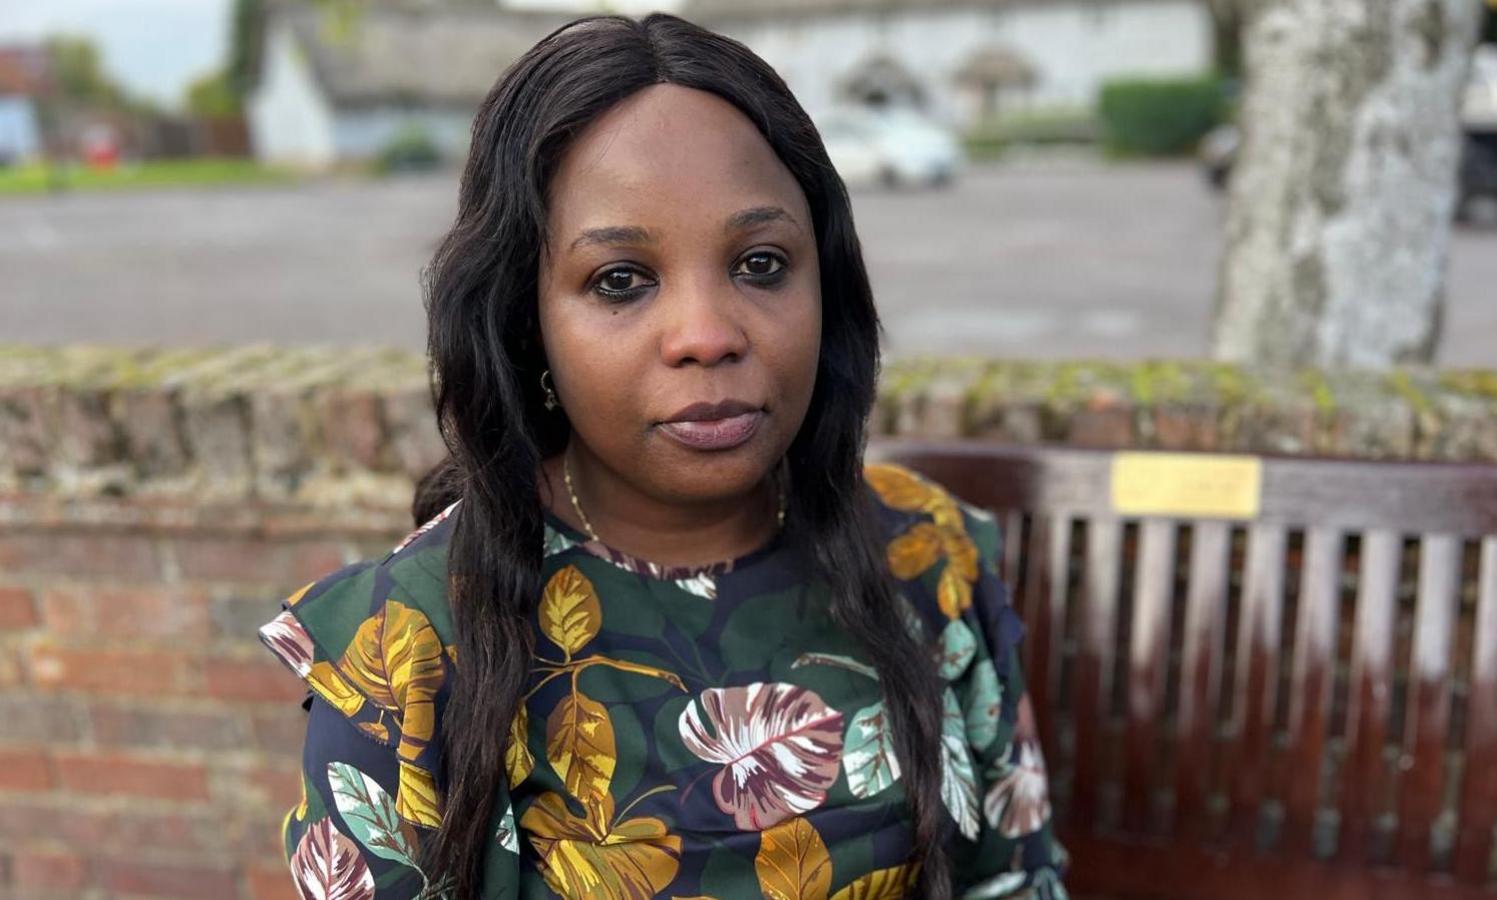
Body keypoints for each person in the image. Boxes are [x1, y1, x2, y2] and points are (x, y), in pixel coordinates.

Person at [257, 13, 1066, 900]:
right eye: (620, 281)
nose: (708, 335)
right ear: (527, 321)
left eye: (761, 264)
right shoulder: (404, 648)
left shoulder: (923, 549)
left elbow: (1016, 877)